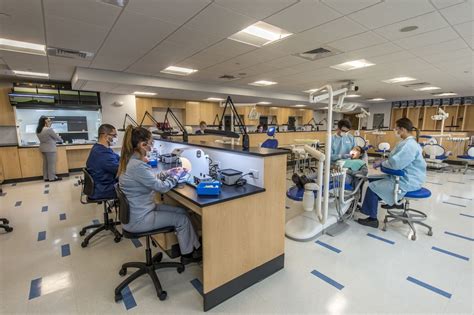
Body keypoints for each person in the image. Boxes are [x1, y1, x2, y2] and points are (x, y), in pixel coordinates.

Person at [118, 126, 201, 264]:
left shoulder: (130, 161)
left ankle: (195, 247)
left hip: (137, 211)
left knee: (182, 211)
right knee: (182, 220)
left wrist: (168, 172)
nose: (152, 147)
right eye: (151, 144)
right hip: (139, 219)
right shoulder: (137, 166)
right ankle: (188, 255)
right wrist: (176, 176)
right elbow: (161, 188)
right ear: (143, 145)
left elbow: (149, 178)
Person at [357, 118, 426, 228]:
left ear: (403, 129)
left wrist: (382, 164)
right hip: (403, 176)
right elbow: (395, 159)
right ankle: (393, 202)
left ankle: (372, 219)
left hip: (407, 181)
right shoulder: (406, 142)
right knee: (371, 178)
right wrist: (383, 161)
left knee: (372, 187)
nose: (395, 131)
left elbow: (396, 164)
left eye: (396, 129)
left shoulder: (409, 145)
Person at [292, 145, 367, 189]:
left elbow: (364, 173)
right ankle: (303, 179)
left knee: (328, 175)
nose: (354, 150)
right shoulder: (345, 159)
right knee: (322, 170)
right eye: (353, 148)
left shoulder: (361, 162)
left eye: (357, 150)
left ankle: (312, 183)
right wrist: (332, 167)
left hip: (347, 177)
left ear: (360, 154)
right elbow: (334, 165)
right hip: (337, 172)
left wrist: (347, 171)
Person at [86, 124, 120, 200]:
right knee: (133, 187)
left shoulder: (101, 148)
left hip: (101, 186)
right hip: (104, 189)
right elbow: (119, 169)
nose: (116, 138)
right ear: (105, 136)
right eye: (114, 135)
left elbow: (117, 158)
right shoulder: (102, 153)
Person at [36, 116, 63, 182]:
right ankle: (52, 178)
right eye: (48, 121)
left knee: (45, 164)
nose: (50, 122)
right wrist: (60, 139)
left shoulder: (38, 129)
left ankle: (46, 177)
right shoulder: (48, 129)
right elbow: (56, 138)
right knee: (51, 164)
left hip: (43, 148)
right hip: (50, 149)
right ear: (45, 121)